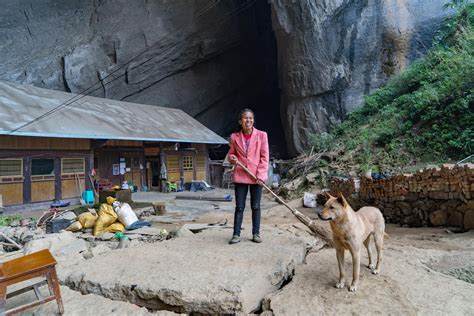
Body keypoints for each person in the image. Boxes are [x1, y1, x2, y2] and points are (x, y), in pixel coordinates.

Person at [227, 108, 269, 244]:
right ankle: (236, 234)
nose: (248, 120)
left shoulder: (262, 135)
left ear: (253, 120)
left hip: (256, 176)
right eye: (245, 118)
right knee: (239, 207)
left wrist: (261, 175)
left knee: (256, 206)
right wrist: (232, 158)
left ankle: (256, 234)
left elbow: (264, 157)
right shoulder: (234, 137)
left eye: (250, 118)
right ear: (240, 121)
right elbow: (231, 154)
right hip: (240, 174)